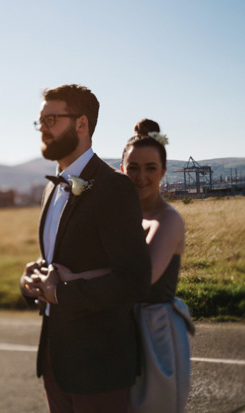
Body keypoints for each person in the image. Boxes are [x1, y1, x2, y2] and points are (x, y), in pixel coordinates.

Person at [19, 84, 152, 412]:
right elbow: (61, 261)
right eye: (40, 121)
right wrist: (32, 282)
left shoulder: (114, 187)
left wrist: (63, 291)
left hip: (99, 364)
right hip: (55, 358)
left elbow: (134, 279)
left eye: (51, 119)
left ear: (81, 124)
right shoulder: (50, 189)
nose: (43, 129)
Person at [56, 118, 195, 412]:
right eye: (133, 167)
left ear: (164, 172)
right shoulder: (126, 217)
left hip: (154, 329)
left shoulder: (168, 220)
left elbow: (140, 278)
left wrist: (74, 278)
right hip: (121, 325)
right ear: (121, 169)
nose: (140, 176)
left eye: (150, 168)